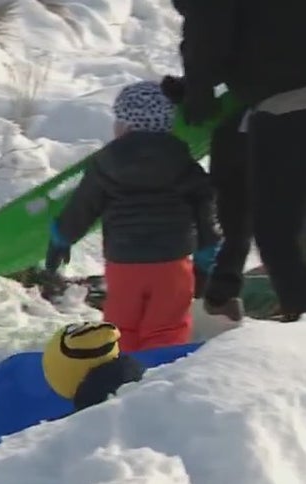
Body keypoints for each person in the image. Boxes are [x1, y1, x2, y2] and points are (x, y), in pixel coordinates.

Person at [163, 0, 306, 323]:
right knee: (236, 165)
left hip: (303, 99)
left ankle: (304, 325)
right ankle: (222, 292)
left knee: (278, 229)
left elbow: (209, 22)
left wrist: (200, 85)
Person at [45, 81, 221, 352]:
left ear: (127, 125)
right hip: (172, 263)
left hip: (124, 263)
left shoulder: (105, 163)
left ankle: (122, 377)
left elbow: (83, 206)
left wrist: (61, 238)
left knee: (121, 326)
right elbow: (205, 209)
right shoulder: (184, 162)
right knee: (167, 327)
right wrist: (206, 254)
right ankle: (159, 376)